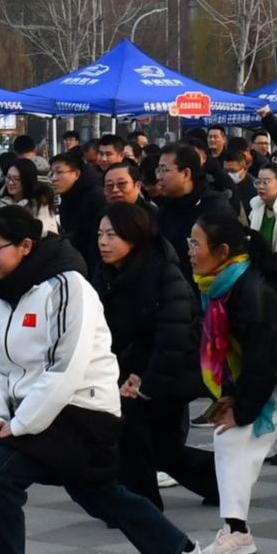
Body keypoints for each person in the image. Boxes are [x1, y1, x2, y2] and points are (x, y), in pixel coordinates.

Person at [0, 211, 207, 554]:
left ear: (26, 246)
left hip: (84, 408)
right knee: (95, 489)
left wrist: (19, 426)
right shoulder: (3, 296)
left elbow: (65, 370)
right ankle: (177, 551)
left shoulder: (68, 286)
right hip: (42, 411)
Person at [186, 203, 277, 554]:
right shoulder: (220, 285)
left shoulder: (251, 288)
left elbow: (264, 355)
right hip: (276, 377)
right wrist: (232, 398)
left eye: (196, 244)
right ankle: (236, 531)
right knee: (230, 439)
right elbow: (239, 355)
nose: (190, 252)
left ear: (222, 252)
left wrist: (243, 407)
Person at [88, 200, 197, 505]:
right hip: (129, 373)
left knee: (135, 434)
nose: (103, 242)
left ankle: (141, 508)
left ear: (134, 236)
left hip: (168, 373)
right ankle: (217, 483)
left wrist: (145, 382)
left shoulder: (162, 272)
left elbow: (174, 337)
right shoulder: (104, 273)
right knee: (164, 451)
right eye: (100, 235)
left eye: (111, 235)